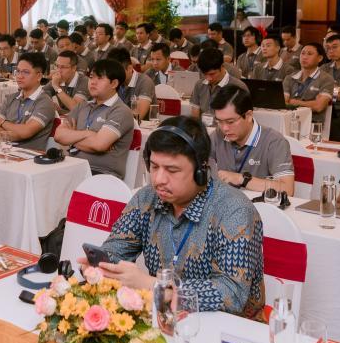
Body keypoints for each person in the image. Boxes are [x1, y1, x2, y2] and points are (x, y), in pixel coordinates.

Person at [87, 117, 263, 314]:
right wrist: (102, 266)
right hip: (161, 316)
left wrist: (157, 287)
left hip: (226, 326)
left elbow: (232, 294)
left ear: (201, 170)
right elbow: (117, 247)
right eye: (154, 167)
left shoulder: (234, 210)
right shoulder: (147, 198)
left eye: (172, 170)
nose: (159, 180)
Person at [54, 58, 135, 178]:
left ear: (114, 83)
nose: (93, 82)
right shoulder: (82, 106)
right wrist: (89, 134)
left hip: (101, 174)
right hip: (73, 167)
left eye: (100, 78)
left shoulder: (121, 110)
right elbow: (58, 135)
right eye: (91, 77)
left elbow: (99, 144)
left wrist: (72, 138)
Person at [209, 85, 294, 196]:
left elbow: (287, 189)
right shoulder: (217, 136)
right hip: (225, 202)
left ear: (248, 115)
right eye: (219, 121)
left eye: (230, 122)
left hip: (259, 205)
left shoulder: (274, 141)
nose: (224, 128)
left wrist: (241, 179)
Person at [0, 52, 57, 151]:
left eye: (26, 72)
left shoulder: (45, 102)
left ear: (39, 76)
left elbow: (26, 132)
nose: (20, 76)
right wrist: (14, 134)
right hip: (5, 151)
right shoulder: (11, 98)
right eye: (18, 71)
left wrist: (2, 122)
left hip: (29, 156)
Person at [190, 48, 247, 119]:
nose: (208, 78)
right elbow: (195, 114)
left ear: (222, 66)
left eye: (212, 74)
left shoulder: (238, 87)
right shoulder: (199, 85)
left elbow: (244, 118)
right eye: (205, 74)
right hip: (203, 125)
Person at [283, 43, 334, 115]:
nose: (304, 57)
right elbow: (283, 102)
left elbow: (319, 106)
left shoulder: (326, 79)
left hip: (313, 120)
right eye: (302, 53)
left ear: (320, 58)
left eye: (309, 54)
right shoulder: (289, 77)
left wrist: (296, 102)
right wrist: (311, 103)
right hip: (289, 118)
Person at [112, 46, 155, 120]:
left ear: (130, 68)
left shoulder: (145, 82)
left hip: (141, 126)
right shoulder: (113, 81)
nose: (115, 75)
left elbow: (137, 116)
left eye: (118, 71)